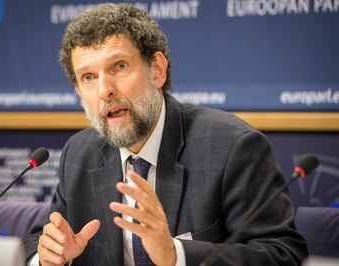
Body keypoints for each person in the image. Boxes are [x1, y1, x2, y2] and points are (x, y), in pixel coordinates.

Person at [23, 3, 307, 266]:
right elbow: (39, 240)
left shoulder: (232, 148)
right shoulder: (79, 153)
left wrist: (177, 256)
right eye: (88, 77)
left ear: (156, 70)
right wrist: (49, 257)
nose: (104, 90)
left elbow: (282, 254)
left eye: (119, 67)